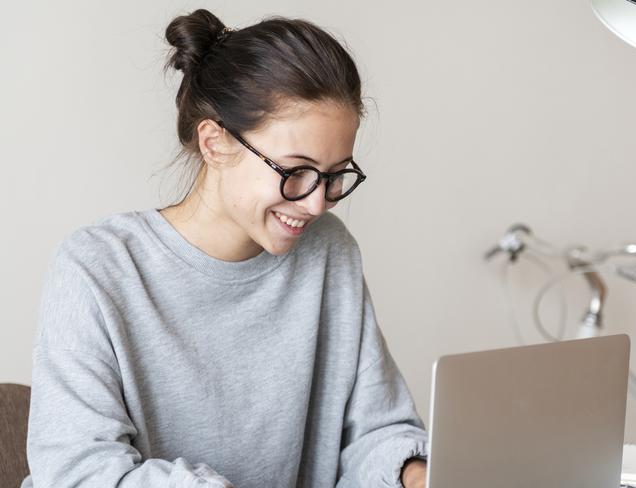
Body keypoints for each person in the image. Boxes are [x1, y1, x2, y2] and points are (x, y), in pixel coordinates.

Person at [21, 9, 428, 488]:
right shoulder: (97, 267)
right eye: (294, 170)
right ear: (215, 143)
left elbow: (376, 432)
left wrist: (414, 474)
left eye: (335, 174)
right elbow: (75, 472)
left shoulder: (329, 253)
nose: (318, 202)